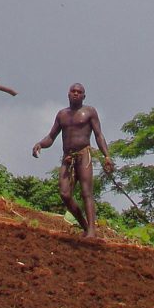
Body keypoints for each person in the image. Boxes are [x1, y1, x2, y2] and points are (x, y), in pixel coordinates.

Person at [32, 82, 114, 239]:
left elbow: (98, 135)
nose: (76, 93)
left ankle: (91, 231)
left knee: (86, 192)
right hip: (68, 158)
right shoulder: (62, 114)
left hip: (84, 155)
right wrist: (40, 144)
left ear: (84, 96)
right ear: (68, 94)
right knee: (64, 193)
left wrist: (107, 156)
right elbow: (51, 137)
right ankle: (84, 225)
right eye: (73, 91)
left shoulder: (89, 112)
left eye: (79, 92)